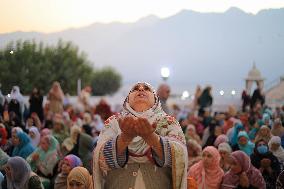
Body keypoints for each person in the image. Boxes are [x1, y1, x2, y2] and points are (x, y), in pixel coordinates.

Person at [93, 82, 187, 189]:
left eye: (146, 88)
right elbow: (100, 159)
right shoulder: (114, 122)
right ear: (128, 99)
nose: (141, 89)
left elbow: (180, 157)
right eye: (135, 89)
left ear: (155, 99)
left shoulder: (168, 122)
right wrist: (125, 138)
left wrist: (151, 138)